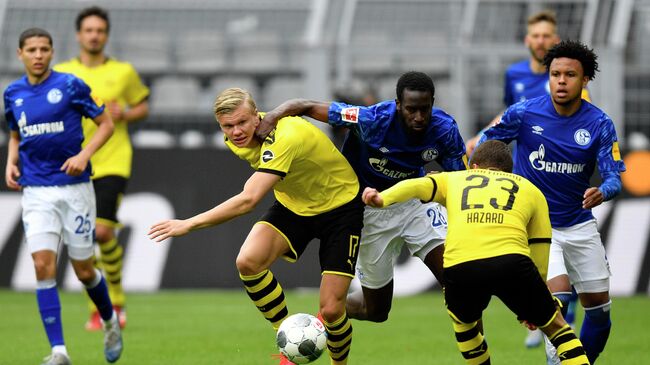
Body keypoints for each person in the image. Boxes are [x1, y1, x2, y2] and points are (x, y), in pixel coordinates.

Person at [148, 88, 364, 365]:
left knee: (332, 311)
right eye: (228, 126)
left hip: (341, 207)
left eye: (242, 122)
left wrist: (188, 224)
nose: (236, 131)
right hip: (295, 204)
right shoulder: (234, 139)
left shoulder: (285, 136)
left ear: (257, 116)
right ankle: (289, 337)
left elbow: (248, 200)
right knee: (248, 262)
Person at [257, 71, 467, 323]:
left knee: (457, 280)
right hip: (368, 212)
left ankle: (477, 354)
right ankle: (322, 319)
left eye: (425, 109)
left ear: (432, 102)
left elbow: (460, 180)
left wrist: (440, 185)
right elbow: (305, 106)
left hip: (414, 207)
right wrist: (271, 117)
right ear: (398, 105)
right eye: (411, 109)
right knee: (376, 311)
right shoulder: (372, 120)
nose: (419, 117)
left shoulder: (445, 129)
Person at [362, 140, 591, 365]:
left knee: (465, 328)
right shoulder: (530, 190)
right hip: (512, 263)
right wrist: (535, 300)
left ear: (474, 167)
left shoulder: (455, 179)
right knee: (558, 328)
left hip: (460, 268)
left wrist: (383, 198)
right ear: (509, 172)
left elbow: (417, 185)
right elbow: (540, 247)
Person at [478, 40, 625, 364]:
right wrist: (495, 175)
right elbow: (488, 143)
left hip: (579, 225)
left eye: (569, 74)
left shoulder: (599, 123)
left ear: (585, 79)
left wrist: (605, 191)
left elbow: (614, 175)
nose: (561, 80)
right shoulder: (525, 112)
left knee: (600, 315)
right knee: (555, 305)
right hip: (538, 229)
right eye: (555, 73)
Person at [465, 10, 586, 347]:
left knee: (555, 243)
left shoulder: (565, 79)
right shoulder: (514, 74)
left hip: (560, 175)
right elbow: (507, 115)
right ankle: (543, 310)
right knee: (525, 245)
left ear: (555, 40)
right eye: (536, 36)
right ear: (527, 40)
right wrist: (481, 136)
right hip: (521, 173)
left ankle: (555, 311)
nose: (541, 41)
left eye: (547, 36)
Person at [4, 28, 122, 365]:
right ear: (20, 54)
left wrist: (84, 156)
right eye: (32, 50)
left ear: (52, 52)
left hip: (75, 190)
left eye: (44, 49)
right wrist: (12, 161)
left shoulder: (70, 85)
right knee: (42, 266)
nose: (38, 55)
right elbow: (16, 133)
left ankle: (110, 322)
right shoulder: (13, 93)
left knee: (84, 271)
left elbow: (106, 124)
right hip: (36, 191)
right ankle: (59, 351)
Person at [54, 6, 150, 331]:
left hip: (113, 159)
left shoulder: (123, 72)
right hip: (74, 161)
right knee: (81, 237)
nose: (94, 35)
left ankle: (117, 301)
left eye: (100, 30)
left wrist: (126, 111)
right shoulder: (63, 72)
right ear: (79, 35)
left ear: (105, 35)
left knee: (103, 231)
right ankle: (98, 308)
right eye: (89, 30)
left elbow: (143, 105)